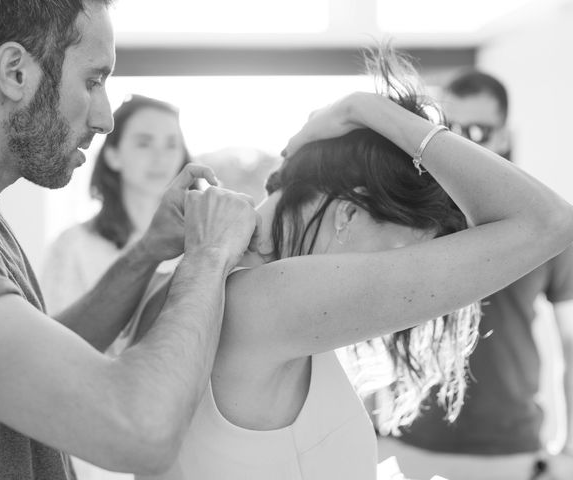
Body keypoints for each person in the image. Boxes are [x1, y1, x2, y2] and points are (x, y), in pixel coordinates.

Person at [124, 51, 573, 480]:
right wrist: (366, 108)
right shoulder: (274, 297)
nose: (400, 276)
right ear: (349, 213)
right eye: (399, 252)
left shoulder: (184, 284)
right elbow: (548, 222)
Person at [0, 2, 258, 479]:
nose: (105, 119)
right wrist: (209, 257)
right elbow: (141, 432)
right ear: (15, 73)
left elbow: (42, 362)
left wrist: (149, 251)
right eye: (93, 80)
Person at [376, 70, 573, 480]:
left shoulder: (549, 223)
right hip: (406, 442)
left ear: (504, 135)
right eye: (450, 130)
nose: (463, 143)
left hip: (509, 451)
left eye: (480, 131)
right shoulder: (409, 218)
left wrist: (570, 448)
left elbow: (571, 344)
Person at [42, 95, 191, 325]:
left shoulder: (196, 242)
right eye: (144, 143)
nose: (161, 158)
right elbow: (54, 340)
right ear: (113, 156)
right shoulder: (73, 247)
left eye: (171, 144)